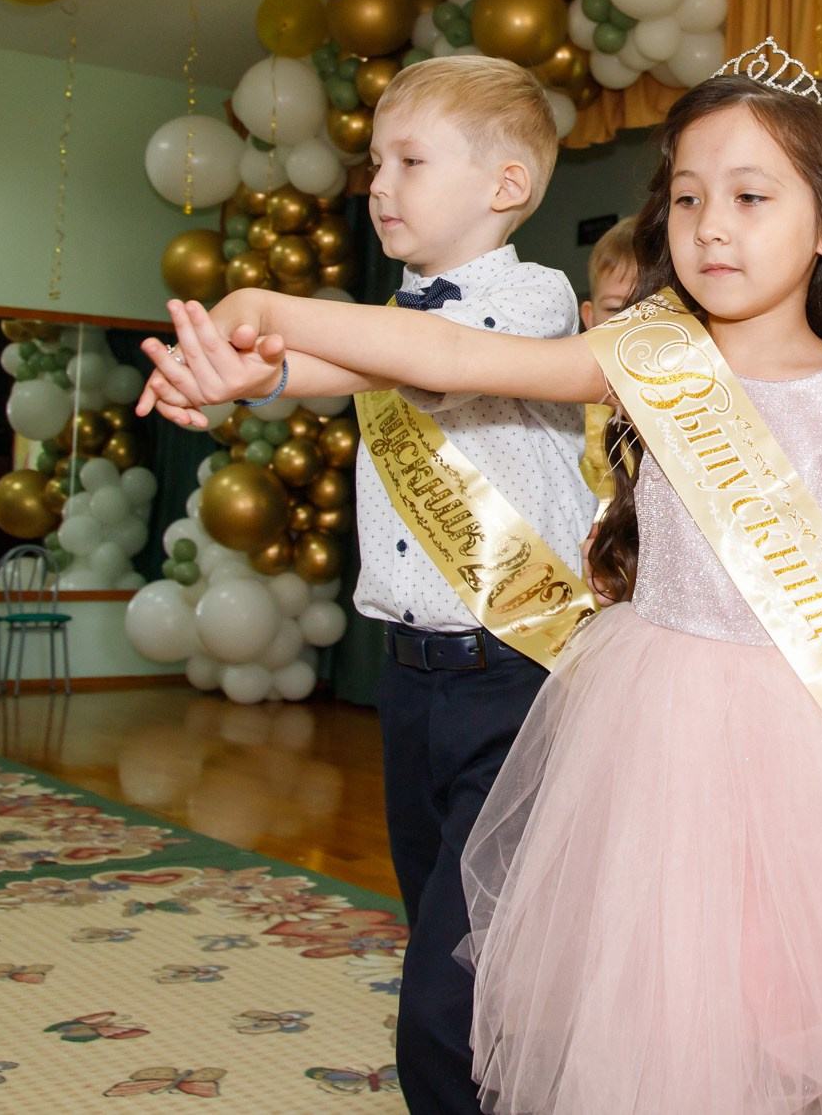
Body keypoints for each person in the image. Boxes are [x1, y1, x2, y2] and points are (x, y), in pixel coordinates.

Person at [141, 44, 822, 1115]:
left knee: (820, 1029)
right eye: (686, 198)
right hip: (660, 744)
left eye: (750, 198)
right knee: (673, 1027)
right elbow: (454, 358)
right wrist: (273, 317)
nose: (711, 227)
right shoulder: (647, 362)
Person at [174, 55, 593, 1115]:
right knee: (448, 934)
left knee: (444, 990)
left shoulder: (533, 298)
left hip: (517, 675)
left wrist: (263, 302)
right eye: (373, 163)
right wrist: (246, 374)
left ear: (504, 187)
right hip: (411, 685)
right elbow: (329, 366)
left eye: (409, 160)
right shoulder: (390, 321)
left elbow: (437, 359)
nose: (379, 184)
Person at [577, 218, 639, 507]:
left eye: (651, 307)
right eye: (616, 309)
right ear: (589, 319)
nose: (632, 325)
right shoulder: (570, 415)